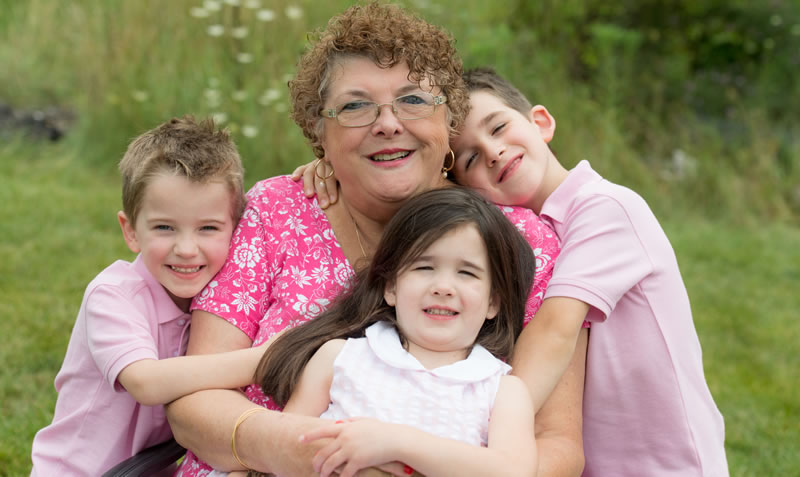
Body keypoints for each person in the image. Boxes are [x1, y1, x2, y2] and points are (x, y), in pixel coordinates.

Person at [165, 4, 585, 477]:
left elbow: (557, 445)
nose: (387, 124)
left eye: (413, 100)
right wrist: (304, 452)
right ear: (319, 135)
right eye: (355, 106)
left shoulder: (517, 238)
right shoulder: (277, 209)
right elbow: (193, 403)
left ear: (449, 122)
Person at [448, 67, 729, 475]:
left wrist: (486, 432)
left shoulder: (605, 207)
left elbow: (555, 330)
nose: (492, 151)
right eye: (470, 158)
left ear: (540, 123)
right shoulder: (518, 235)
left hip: (667, 461)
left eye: (499, 127)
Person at [30, 117, 271, 476]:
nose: (186, 249)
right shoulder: (113, 295)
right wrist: (265, 358)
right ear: (131, 231)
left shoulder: (218, 303)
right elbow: (146, 382)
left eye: (208, 228)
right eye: (164, 227)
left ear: (236, 229)